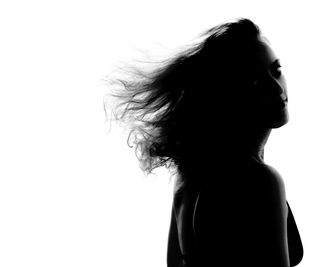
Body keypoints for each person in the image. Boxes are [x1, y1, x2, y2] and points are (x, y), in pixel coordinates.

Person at [105, 18, 303, 267]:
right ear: (230, 92)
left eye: (276, 71)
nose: (277, 89)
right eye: (255, 81)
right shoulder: (260, 181)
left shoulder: (190, 177)